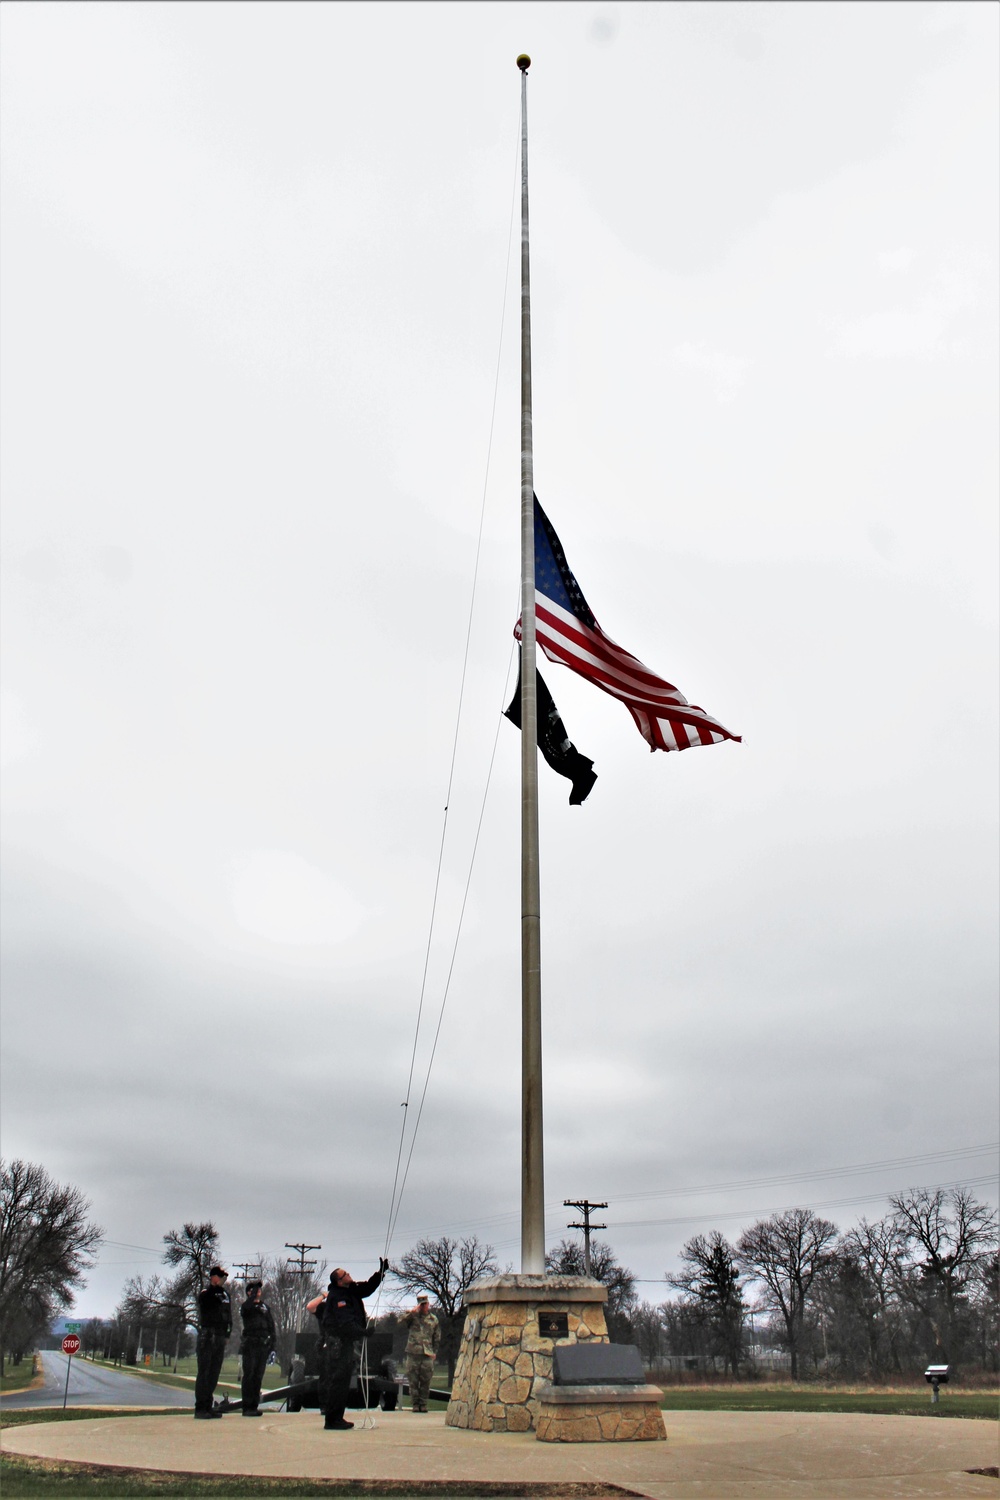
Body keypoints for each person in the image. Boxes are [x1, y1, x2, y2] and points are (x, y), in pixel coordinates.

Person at [306, 1260, 387, 1431]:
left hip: (345, 1343)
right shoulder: (338, 1296)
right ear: (339, 1281)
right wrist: (363, 1332)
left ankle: (337, 1418)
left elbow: (367, 1288)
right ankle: (332, 1420)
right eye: (345, 1275)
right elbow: (345, 1323)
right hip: (338, 1345)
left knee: (342, 1382)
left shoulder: (349, 1290)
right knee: (338, 1382)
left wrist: (380, 1273)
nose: (349, 1275)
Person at [194, 1266, 232, 1418]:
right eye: (220, 1276)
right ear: (213, 1277)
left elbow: (228, 1315)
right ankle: (200, 1408)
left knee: (214, 1373)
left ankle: (208, 1406)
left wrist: (228, 1332)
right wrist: (213, 1287)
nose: (222, 1279)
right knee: (205, 1372)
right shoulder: (206, 1293)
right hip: (208, 1336)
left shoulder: (225, 1294)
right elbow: (205, 1303)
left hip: (220, 1336)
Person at [239, 1280, 276, 1417]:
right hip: (250, 1344)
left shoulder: (265, 1307)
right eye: (255, 1290)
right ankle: (247, 1406)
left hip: (263, 1344)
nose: (258, 1292)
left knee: (258, 1376)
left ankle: (254, 1405)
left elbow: (271, 1325)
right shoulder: (246, 1306)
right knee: (249, 1375)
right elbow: (246, 1309)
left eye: (259, 1290)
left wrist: (273, 1343)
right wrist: (252, 1296)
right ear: (249, 1292)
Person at [401, 1292, 440, 1412]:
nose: (423, 1306)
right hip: (413, 1353)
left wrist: (434, 1352)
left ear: (428, 1304)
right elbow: (401, 1320)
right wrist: (412, 1312)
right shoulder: (412, 1317)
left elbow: (437, 1337)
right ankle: (415, 1404)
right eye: (421, 1305)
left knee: (425, 1381)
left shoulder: (433, 1319)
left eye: (425, 1304)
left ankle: (423, 1404)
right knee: (413, 1381)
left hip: (427, 1354)